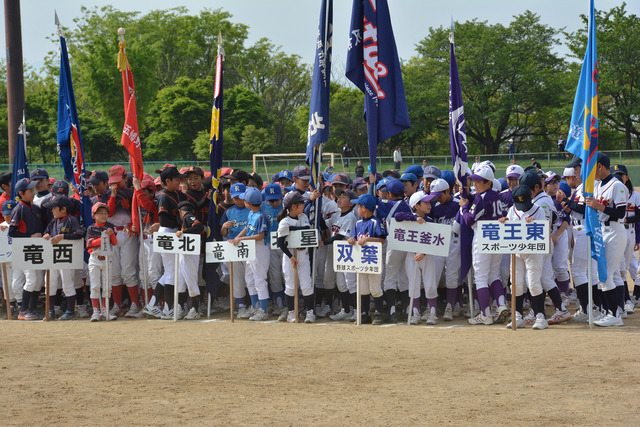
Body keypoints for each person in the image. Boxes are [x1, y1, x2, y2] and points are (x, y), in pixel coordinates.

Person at [459, 165, 508, 325]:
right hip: (497, 234)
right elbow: (477, 199)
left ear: (488, 183)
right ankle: (501, 305)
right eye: (475, 181)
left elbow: (469, 220)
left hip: (483, 234)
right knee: (494, 274)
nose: (475, 184)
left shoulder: (481, 198)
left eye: (479, 182)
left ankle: (485, 314)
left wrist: (464, 206)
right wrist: (468, 197)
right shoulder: (497, 195)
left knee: (480, 277)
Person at [587, 153, 628, 326]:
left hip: (615, 231)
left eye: (593, 167)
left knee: (606, 275)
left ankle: (615, 315)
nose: (591, 171)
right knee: (601, 275)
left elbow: (621, 213)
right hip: (601, 232)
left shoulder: (617, 185)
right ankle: (612, 312)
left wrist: (599, 206)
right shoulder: (596, 185)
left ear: (600, 166)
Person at [499, 185, 548, 329]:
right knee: (515, 283)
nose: (522, 207)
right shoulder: (512, 210)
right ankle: (517, 315)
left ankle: (540, 316)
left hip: (533, 251)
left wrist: (535, 225)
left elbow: (545, 230)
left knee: (533, 283)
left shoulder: (538, 209)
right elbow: (509, 225)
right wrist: (504, 222)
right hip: (516, 252)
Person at [394, 191, 437, 325]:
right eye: (425, 202)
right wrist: (414, 219)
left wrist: (424, 252)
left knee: (430, 284)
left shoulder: (430, 220)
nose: (429, 205)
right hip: (411, 256)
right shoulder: (408, 218)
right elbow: (397, 216)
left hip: (427, 256)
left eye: (429, 202)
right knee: (413, 284)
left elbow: (434, 241)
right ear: (416, 206)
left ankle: (432, 313)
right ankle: (416, 313)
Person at [232, 187, 270, 321]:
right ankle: (255, 306)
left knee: (259, 278)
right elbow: (247, 228)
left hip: (260, 248)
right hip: (250, 247)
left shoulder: (261, 215)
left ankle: (263, 310)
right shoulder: (251, 213)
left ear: (248, 203)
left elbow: (260, 236)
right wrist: (237, 237)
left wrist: (241, 239)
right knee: (249, 279)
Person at [10, 178, 46, 321]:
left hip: (36, 247)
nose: (33, 192)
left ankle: (32, 309)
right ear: (21, 193)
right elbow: (12, 232)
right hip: (24, 248)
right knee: (31, 279)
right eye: (30, 191)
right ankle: (23, 310)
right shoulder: (18, 209)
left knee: (37, 280)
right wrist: (30, 236)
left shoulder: (35, 208)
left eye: (33, 190)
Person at [42, 195, 83, 320]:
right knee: (50, 282)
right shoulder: (53, 221)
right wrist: (46, 236)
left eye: (54, 208)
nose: (52, 211)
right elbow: (46, 232)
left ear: (63, 209)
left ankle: (70, 311)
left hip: (67, 257)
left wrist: (63, 236)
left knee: (67, 282)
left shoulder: (71, 220)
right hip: (53, 257)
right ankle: (50, 310)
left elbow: (78, 235)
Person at [277, 191, 315, 323]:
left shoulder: (303, 216)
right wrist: (290, 257)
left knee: (306, 285)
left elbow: (305, 230)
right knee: (291, 286)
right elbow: (280, 242)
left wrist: (292, 230)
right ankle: (291, 312)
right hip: (289, 257)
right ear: (293, 206)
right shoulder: (284, 222)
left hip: (303, 254)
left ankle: (310, 312)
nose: (304, 205)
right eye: (301, 203)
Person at [348, 194, 386, 324]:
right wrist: (352, 239)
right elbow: (353, 237)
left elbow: (382, 240)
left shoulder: (376, 222)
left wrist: (369, 239)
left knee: (375, 288)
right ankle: (364, 313)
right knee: (363, 288)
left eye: (358, 206)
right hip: (361, 260)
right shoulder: (358, 223)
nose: (357, 209)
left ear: (363, 208)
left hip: (373, 260)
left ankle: (378, 313)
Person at [220, 183, 250, 318]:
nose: (238, 200)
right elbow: (223, 233)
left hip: (250, 244)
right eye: (235, 197)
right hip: (234, 246)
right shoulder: (228, 211)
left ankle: (254, 304)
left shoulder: (251, 209)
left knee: (251, 277)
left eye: (241, 197)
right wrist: (224, 227)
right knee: (236, 277)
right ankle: (241, 305)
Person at [85, 202, 118, 321]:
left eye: (105, 213)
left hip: (107, 259)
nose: (103, 215)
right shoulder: (91, 228)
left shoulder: (110, 226)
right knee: (95, 286)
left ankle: (105, 310)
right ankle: (95, 311)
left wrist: (111, 235)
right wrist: (103, 237)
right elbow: (89, 244)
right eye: (100, 213)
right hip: (95, 259)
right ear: (94, 215)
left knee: (107, 286)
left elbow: (114, 243)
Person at [176, 201, 207, 320]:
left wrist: (183, 232)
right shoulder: (187, 218)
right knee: (182, 280)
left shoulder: (188, 216)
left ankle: (194, 309)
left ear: (180, 211)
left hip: (190, 253)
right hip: (186, 251)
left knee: (190, 279)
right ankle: (181, 307)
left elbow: (199, 227)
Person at [261, 183, 286, 316]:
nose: (274, 203)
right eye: (271, 200)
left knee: (286, 274)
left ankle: (290, 303)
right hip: (270, 244)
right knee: (275, 275)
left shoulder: (286, 206)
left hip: (285, 244)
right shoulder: (263, 207)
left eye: (276, 199)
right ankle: (279, 303)